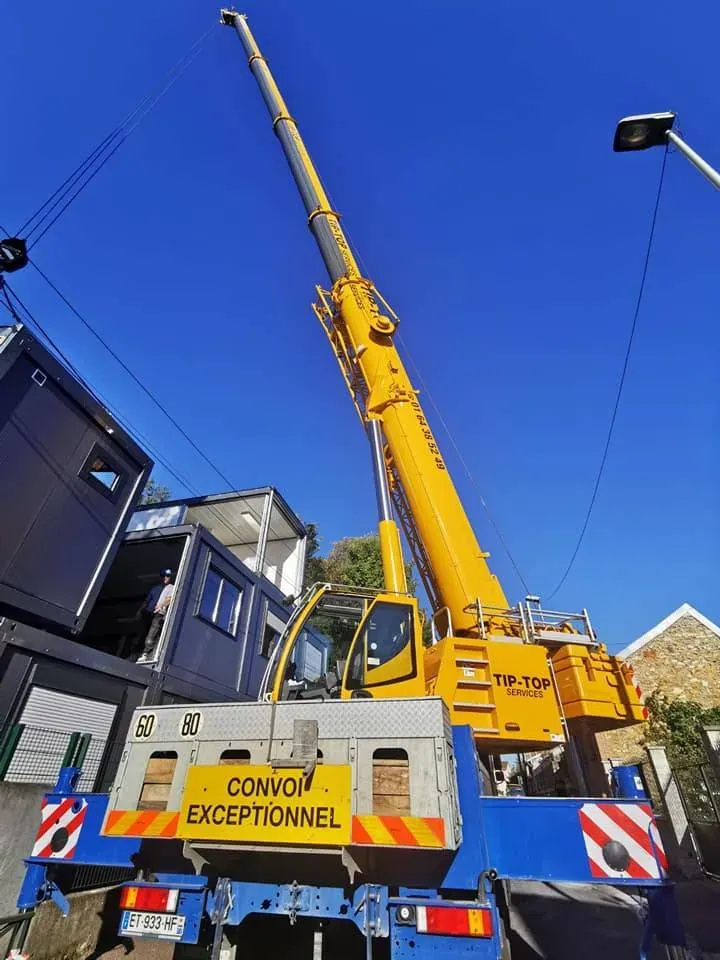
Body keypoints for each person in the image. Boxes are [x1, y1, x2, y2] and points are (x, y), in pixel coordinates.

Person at [139, 570, 174, 661]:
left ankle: (146, 653)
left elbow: (169, 599)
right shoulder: (155, 588)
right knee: (143, 632)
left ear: (170, 577)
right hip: (148, 612)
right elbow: (147, 601)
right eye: (164, 576)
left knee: (153, 632)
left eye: (167, 576)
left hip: (158, 613)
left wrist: (161, 606)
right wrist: (139, 611)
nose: (165, 578)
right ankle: (138, 651)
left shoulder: (171, 587)